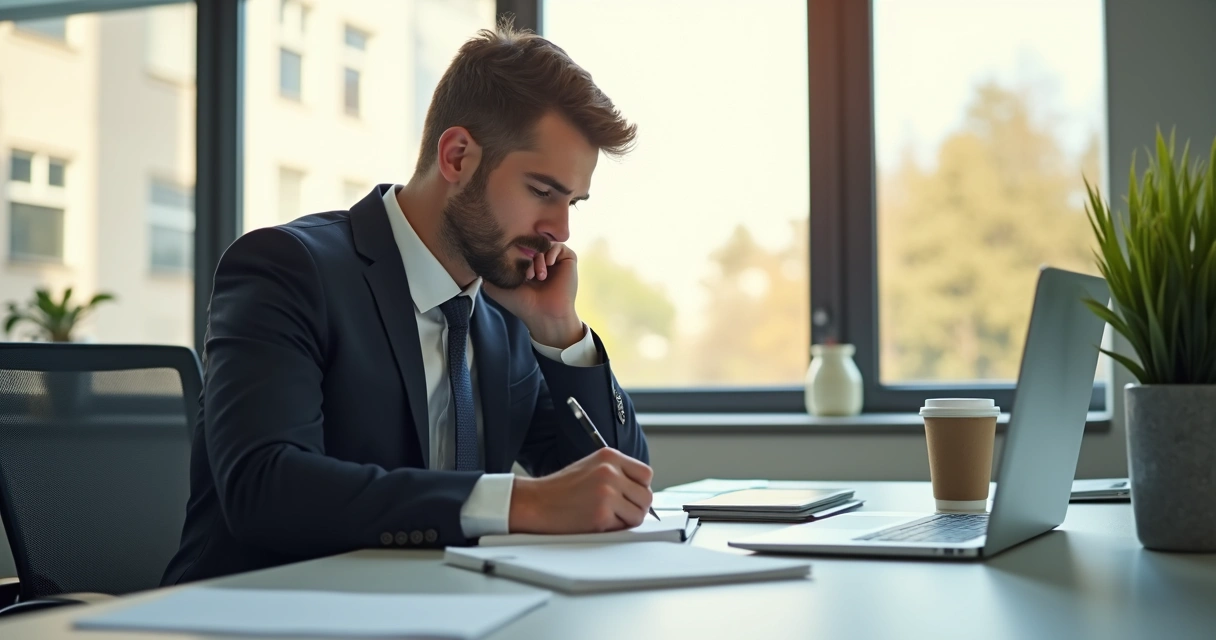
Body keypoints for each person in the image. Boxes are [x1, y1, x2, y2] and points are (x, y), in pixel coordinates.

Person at [162, 22, 653, 585]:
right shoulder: (287, 269)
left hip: (443, 608)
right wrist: (519, 502)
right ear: (457, 157)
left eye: (573, 203)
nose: (560, 230)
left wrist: (560, 331)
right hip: (260, 609)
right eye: (542, 192)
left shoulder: (509, 311)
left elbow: (619, 487)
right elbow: (265, 488)